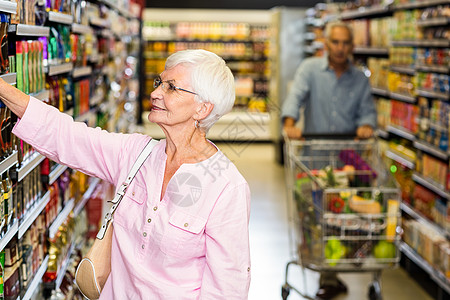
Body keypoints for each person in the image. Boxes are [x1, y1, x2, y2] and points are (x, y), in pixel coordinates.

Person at [0, 49, 251, 299]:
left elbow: (226, 289)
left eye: (171, 87)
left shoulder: (226, 187)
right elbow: (65, 135)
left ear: (203, 109)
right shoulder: (136, 154)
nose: (155, 93)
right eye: (159, 83)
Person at [281, 21, 377, 299]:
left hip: (348, 163)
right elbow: (295, 97)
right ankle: (329, 275)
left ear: (352, 46)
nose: (340, 48)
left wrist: (366, 125)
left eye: (346, 43)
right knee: (317, 218)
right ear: (326, 43)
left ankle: (336, 271)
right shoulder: (310, 70)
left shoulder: (359, 79)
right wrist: (290, 122)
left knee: (342, 216)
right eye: (335, 42)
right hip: (315, 159)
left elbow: (368, 112)